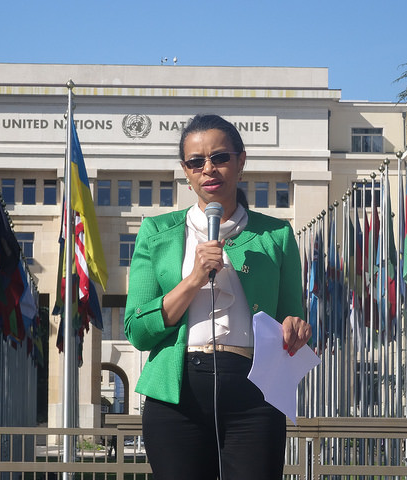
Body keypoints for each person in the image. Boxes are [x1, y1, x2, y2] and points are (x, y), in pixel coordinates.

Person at [124, 114, 312, 480]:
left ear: (241, 161)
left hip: (254, 391)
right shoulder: (156, 231)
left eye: (220, 157)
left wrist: (297, 328)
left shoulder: (276, 235)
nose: (208, 169)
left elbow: (294, 321)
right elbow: (138, 331)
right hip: (176, 393)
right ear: (186, 171)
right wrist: (194, 279)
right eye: (196, 161)